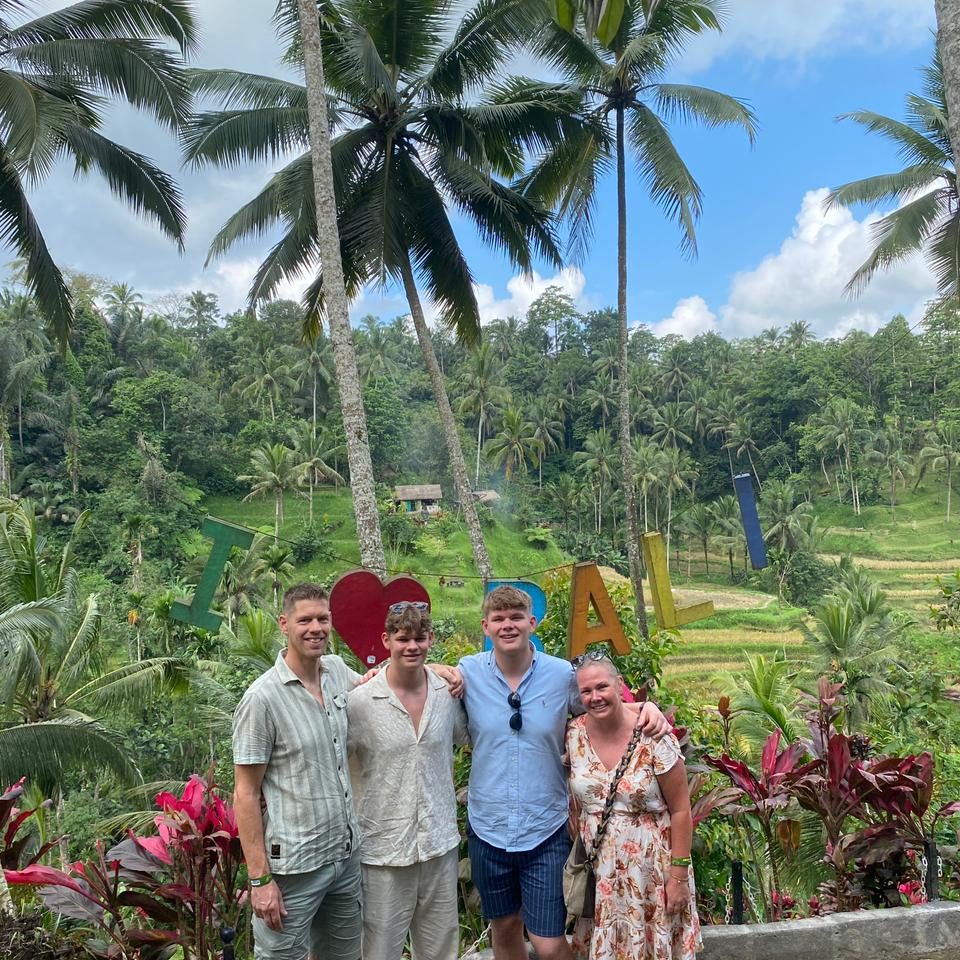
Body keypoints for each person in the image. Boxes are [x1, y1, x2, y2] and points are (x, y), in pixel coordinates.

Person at [458, 585, 671, 960]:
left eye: (516, 617)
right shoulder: (468, 672)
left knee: (549, 941)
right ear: (485, 626)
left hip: (545, 829)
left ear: (532, 622)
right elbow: (419, 676)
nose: (508, 625)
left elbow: (601, 704)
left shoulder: (560, 675)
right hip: (488, 827)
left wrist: (645, 708)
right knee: (504, 928)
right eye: (498, 619)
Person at [232, 582, 363, 960]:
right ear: (284, 623)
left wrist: (438, 671)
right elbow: (245, 793)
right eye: (305, 620)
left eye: (323, 619)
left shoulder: (337, 671)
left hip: (345, 858)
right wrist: (260, 880)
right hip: (294, 869)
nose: (316, 628)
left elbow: (383, 685)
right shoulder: (262, 699)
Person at [347, 601, 468, 960]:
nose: (412, 646)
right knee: (378, 951)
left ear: (431, 639)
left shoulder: (447, 694)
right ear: (386, 641)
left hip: (438, 844)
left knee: (441, 950)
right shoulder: (360, 702)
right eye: (402, 639)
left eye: (419, 638)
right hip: (382, 851)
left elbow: (466, 737)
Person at [567, 649, 701, 960]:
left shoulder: (654, 735)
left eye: (602, 687)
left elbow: (681, 810)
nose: (595, 697)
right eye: (586, 691)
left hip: (652, 874)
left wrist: (678, 878)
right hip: (601, 874)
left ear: (619, 684)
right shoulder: (573, 735)